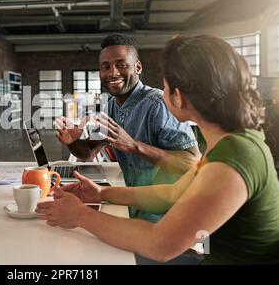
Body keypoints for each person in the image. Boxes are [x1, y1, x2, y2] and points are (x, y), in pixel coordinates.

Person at [37, 35, 279, 264]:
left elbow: (160, 245)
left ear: (179, 96)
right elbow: (174, 194)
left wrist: (80, 215)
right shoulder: (234, 142)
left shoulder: (233, 156)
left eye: (164, 86)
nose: (161, 93)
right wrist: (101, 194)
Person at [54, 34, 200, 222]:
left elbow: (192, 164)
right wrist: (73, 141)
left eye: (121, 65)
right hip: (135, 209)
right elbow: (88, 152)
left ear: (137, 67)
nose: (112, 73)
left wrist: (134, 146)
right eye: (105, 67)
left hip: (166, 218)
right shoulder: (112, 107)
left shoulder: (157, 104)